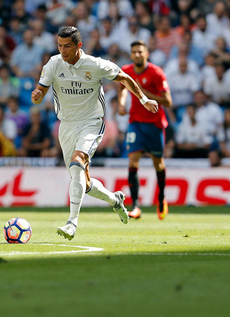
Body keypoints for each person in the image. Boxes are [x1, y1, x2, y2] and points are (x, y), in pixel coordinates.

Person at [31, 27, 159, 240]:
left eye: (67, 46)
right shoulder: (53, 64)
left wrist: (144, 100)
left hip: (91, 123)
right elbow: (40, 92)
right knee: (84, 182)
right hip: (66, 125)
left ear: (79, 46)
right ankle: (115, 200)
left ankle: (72, 223)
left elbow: (125, 78)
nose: (62, 50)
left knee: (77, 162)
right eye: (59, 46)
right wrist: (36, 96)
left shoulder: (96, 65)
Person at [118, 40, 173, 220]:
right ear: (131, 54)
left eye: (140, 52)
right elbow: (124, 88)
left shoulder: (156, 73)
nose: (137, 55)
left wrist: (142, 94)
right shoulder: (127, 70)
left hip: (154, 123)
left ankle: (161, 197)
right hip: (136, 122)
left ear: (147, 54)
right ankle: (135, 206)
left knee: (158, 162)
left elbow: (167, 101)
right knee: (133, 161)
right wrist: (121, 102)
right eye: (134, 52)